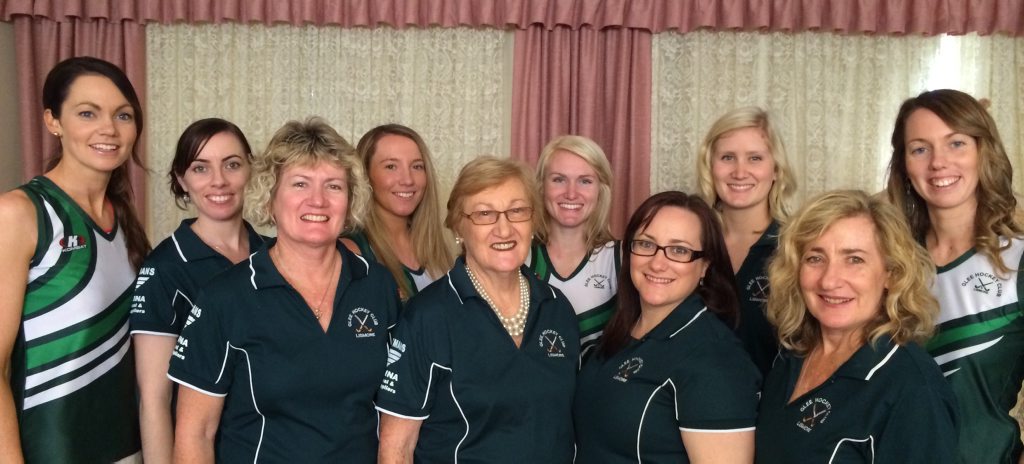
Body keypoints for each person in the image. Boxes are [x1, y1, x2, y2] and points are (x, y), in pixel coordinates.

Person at [168, 117, 400, 462]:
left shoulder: (376, 285)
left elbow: (397, 412)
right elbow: (195, 434)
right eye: (300, 184)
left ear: (350, 200)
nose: (317, 201)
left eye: (333, 186)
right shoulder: (225, 298)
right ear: (269, 197)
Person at [376, 156, 580, 463]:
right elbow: (396, 450)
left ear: (533, 221)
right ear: (459, 227)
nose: (504, 228)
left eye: (517, 211)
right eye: (484, 214)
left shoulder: (557, 309)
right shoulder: (428, 317)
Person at [0, 56, 148, 463]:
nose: (109, 129)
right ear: (53, 121)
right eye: (87, 113)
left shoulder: (126, 219)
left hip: (129, 447)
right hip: (51, 449)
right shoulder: (20, 213)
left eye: (123, 115)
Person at [756, 190, 958, 463]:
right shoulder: (791, 354)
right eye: (815, 258)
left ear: (890, 273)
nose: (830, 280)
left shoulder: (912, 387)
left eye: (854, 259)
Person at [886, 89, 1024, 463]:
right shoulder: (886, 262)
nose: (938, 163)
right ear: (903, 165)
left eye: (957, 143)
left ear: (984, 152)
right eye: (920, 149)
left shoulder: (1018, 260)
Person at [574, 191, 761, 464]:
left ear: (705, 266)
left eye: (679, 250)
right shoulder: (623, 329)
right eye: (646, 244)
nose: (658, 263)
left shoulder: (716, 361)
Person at [130, 118, 265, 464]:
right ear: (181, 179)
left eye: (232, 165)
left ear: (250, 168)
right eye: (200, 168)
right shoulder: (165, 268)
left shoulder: (275, 254)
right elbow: (155, 400)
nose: (218, 181)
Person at [697, 106, 796, 377]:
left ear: (776, 169)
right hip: (685, 408)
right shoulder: (690, 243)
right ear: (710, 166)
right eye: (728, 157)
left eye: (755, 158)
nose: (740, 172)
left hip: (767, 412)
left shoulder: (797, 248)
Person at [530, 135, 619, 354]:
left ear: (601, 190)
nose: (571, 193)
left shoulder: (622, 258)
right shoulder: (518, 257)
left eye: (585, 181)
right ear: (541, 187)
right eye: (559, 179)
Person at [343, 124, 453, 300]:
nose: (407, 180)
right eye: (391, 167)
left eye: (417, 166)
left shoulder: (435, 246)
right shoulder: (352, 250)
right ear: (364, 174)